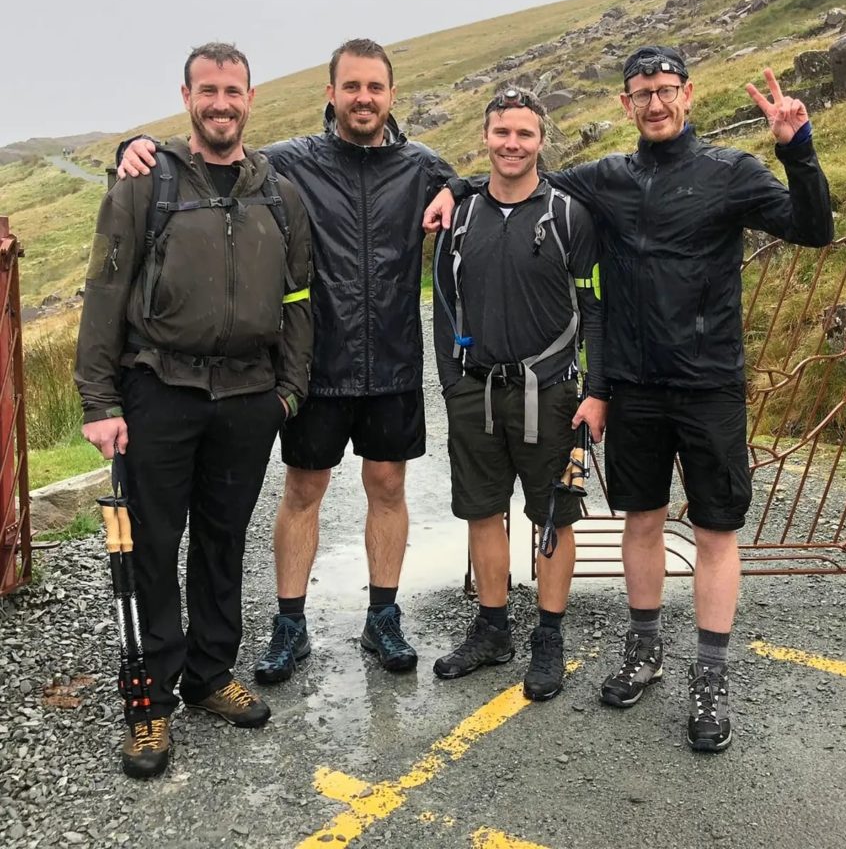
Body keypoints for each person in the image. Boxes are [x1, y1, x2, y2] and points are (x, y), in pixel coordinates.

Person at [424, 45, 833, 750]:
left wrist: (798, 148)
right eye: (641, 92)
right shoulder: (606, 179)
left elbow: (814, 228)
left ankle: (710, 677)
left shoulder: (732, 172)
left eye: (667, 89)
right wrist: (456, 188)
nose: (655, 103)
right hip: (636, 389)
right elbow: (520, 173)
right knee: (640, 524)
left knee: (713, 531)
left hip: (709, 384)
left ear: (689, 94)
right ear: (625, 103)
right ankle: (644, 652)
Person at [118, 39, 456, 682]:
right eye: (351, 86)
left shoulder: (423, 167)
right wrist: (134, 145)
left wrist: (458, 187)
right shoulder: (289, 162)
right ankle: (290, 623)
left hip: (392, 363)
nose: (364, 98)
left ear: (390, 94)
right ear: (329, 93)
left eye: (375, 88)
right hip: (316, 366)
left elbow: (479, 178)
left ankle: (383, 616)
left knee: (388, 488)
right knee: (304, 489)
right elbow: (213, 154)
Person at [76, 42, 313, 779]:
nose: (221, 102)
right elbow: (105, 293)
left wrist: (289, 391)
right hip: (160, 389)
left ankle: (210, 674)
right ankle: (148, 701)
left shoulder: (280, 191)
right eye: (208, 90)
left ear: (250, 98)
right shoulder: (145, 187)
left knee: (222, 541)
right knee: (151, 544)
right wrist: (98, 399)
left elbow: (301, 299)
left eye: (233, 90)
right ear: (187, 97)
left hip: (248, 398)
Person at [432, 87, 607, 700]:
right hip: (474, 391)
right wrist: (451, 381)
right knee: (482, 510)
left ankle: (549, 636)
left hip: (552, 393)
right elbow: (443, 301)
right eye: (502, 132)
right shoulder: (460, 215)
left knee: (554, 516)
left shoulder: (567, 214)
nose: (512, 144)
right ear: (486, 137)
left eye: (524, 134)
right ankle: (493, 627)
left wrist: (597, 390)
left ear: (541, 141)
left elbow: (595, 306)